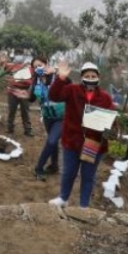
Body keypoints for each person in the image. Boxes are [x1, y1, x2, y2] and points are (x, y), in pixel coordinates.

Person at [49, 61, 115, 208]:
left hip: (93, 141)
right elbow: (54, 96)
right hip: (72, 140)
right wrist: (60, 79)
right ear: (81, 77)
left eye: (93, 76)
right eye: (87, 75)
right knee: (69, 172)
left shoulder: (105, 97)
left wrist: (110, 128)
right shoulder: (72, 90)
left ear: (98, 77)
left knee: (88, 175)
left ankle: (84, 205)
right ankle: (63, 198)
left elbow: (110, 119)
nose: (90, 78)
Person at [29, 56, 64, 180]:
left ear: (46, 64)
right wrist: (27, 91)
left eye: (40, 65)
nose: (38, 68)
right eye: (35, 67)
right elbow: (31, 98)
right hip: (48, 117)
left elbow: (68, 83)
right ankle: (54, 165)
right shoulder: (36, 81)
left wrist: (56, 72)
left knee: (51, 141)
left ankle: (38, 168)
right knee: (52, 142)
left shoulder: (56, 77)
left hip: (62, 116)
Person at [4, 52, 34, 136]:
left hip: (24, 91)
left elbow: (30, 81)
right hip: (12, 91)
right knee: (11, 110)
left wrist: (21, 80)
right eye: (17, 56)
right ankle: (9, 128)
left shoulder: (30, 69)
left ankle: (28, 130)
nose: (19, 58)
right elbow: (5, 72)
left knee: (25, 111)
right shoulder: (11, 66)